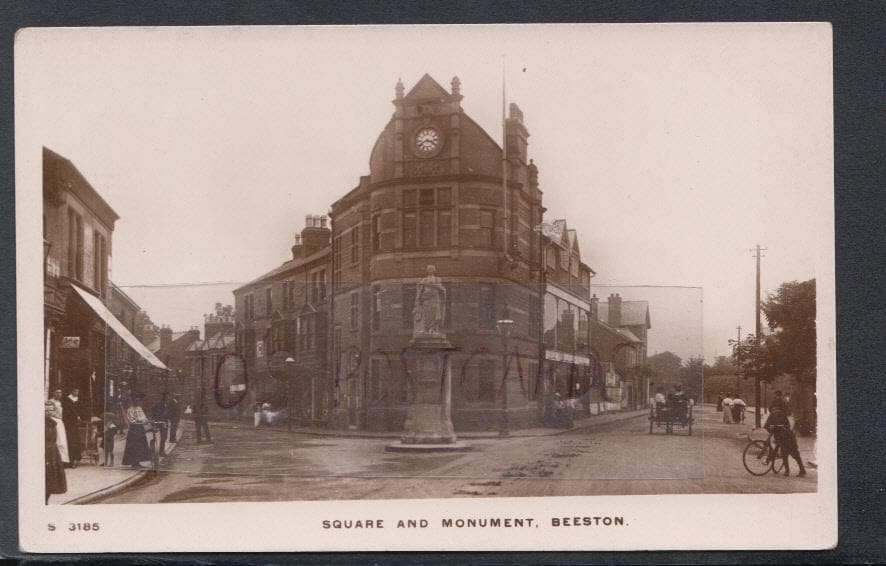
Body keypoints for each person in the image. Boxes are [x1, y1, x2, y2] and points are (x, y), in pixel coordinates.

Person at [765, 400, 806, 477]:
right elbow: (767, 425)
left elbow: (786, 426)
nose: (775, 410)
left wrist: (775, 427)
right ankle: (791, 470)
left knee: (792, 453)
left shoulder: (779, 414)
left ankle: (799, 470)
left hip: (787, 437)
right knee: (788, 453)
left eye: (776, 408)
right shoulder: (774, 414)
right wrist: (772, 427)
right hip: (781, 437)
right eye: (774, 409)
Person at [45, 403, 67, 504]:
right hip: (43, 452)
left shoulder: (55, 423)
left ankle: (46, 501)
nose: (48, 412)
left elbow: (60, 440)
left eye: (50, 410)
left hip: (52, 453)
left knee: (51, 480)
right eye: (46, 410)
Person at [121, 395, 152, 468]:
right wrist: (140, 420)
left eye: (139, 400)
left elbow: (144, 417)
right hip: (133, 429)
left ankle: (138, 462)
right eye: (136, 400)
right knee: (133, 446)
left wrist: (143, 420)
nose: (138, 402)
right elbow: (131, 420)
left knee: (141, 445)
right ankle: (133, 462)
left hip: (140, 428)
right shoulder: (130, 409)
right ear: (133, 401)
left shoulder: (140, 408)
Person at [61, 388, 84, 468]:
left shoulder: (78, 400)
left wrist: (79, 417)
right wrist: (75, 416)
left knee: (75, 441)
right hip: (68, 423)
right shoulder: (67, 400)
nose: (77, 393)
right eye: (75, 391)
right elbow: (66, 412)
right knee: (69, 441)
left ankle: (75, 459)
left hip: (75, 424)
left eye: (78, 391)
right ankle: (68, 461)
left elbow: (81, 410)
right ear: (72, 391)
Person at [46, 389, 69, 466]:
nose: (59, 394)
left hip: (59, 422)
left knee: (62, 441)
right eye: (57, 392)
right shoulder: (49, 402)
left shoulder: (59, 402)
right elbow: (49, 413)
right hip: (54, 422)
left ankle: (63, 460)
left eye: (60, 393)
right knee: (57, 440)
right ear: (53, 393)